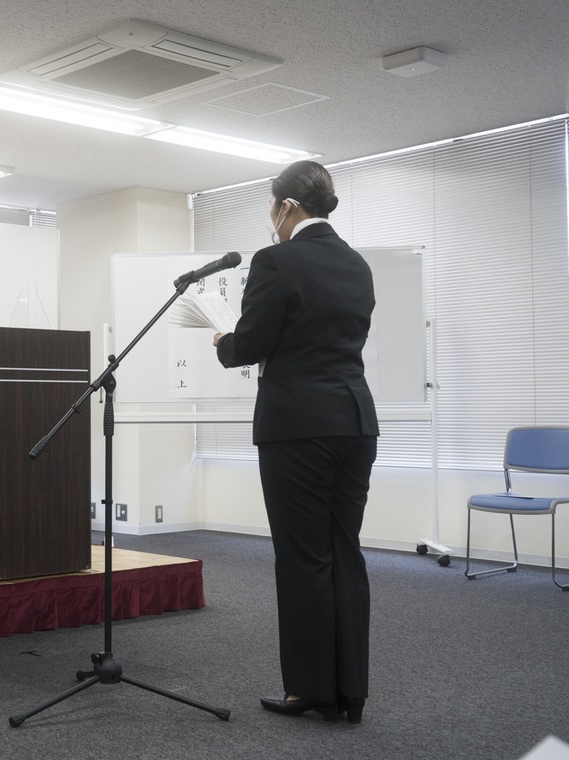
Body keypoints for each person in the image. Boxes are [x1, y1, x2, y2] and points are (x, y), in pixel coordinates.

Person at [212, 160, 378, 725]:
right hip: (355, 422)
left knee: (304, 557)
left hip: (298, 427)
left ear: (286, 207)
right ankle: (349, 692)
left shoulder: (276, 260)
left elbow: (254, 341)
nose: (271, 219)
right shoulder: (357, 264)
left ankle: (311, 690)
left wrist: (222, 342)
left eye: (270, 208)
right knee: (343, 551)